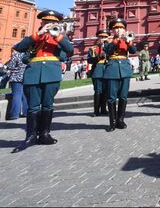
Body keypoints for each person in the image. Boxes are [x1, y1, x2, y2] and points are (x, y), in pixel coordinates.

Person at [12, 10, 74, 152]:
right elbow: (19, 48)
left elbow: (69, 50)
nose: (49, 25)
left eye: (52, 23)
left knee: (47, 105)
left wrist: (57, 36)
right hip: (33, 74)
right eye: (46, 22)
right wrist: (38, 35)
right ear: (41, 23)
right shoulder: (34, 38)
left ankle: (44, 134)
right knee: (33, 106)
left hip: (52, 74)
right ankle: (31, 136)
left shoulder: (59, 38)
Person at [103, 19, 137, 131]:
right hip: (112, 69)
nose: (119, 30)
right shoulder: (108, 40)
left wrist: (128, 41)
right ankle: (112, 122)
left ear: (124, 29)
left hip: (125, 70)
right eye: (116, 28)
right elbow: (108, 51)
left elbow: (133, 51)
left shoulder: (127, 39)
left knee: (123, 96)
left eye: (121, 28)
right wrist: (116, 40)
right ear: (112, 30)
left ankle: (120, 120)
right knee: (112, 97)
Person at [87, 29, 110, 116]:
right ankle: (96, 111)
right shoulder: (93, 49)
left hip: (107, 71)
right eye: (101, 36)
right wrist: (97, 58)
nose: (103, 38)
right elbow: (89, 60)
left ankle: (104, 109)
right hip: (97, 71)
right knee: (98, 91)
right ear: (98, 37)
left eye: (105, 37)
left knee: (105, 91)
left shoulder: (109, 47)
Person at [5, 49, 29, 120]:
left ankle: (14, 114)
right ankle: (26, 113)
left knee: (16, 95)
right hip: (26, 78)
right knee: (25, 96)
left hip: (15, 78)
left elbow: (10, 66)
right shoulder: (28, 56)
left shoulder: (16, 55)